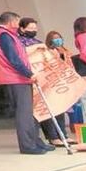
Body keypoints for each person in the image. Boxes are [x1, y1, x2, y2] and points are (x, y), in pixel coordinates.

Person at [0, 11, 53, 155]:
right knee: (24, 113)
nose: (18, 25)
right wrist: (29, 73)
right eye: (18, 22)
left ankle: (36, 141)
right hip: (15, 78)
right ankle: (27, 146)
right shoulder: (3, 35)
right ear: (11, 22)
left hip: (19, 78)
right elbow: (13, 58)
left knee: (29, 112)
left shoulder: (8, 35)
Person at [19, 18, 66, 147]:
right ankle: (52, 137)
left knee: (57, 106)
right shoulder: (19, 42)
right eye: (31, 29)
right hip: (33, 78)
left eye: (35, 29)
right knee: (43, 109)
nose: (34, 31)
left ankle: (62, 135)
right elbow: (20, 54)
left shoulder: (38, 42)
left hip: (48, 77)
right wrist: (37, 47)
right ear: (22, 29)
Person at [45, 30, 82, 135]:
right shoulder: (48, 52)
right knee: (65, 107)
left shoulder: (66, 51)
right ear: (50, 40)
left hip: (71, 79)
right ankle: (65, 130)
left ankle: (79, 126)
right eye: (55, 38)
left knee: (76, 105)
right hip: (59, 82)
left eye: (59, 37)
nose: (58, 40)